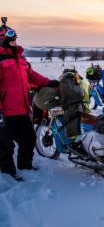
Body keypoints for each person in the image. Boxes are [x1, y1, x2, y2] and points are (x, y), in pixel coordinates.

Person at [0, 17, 59, 181]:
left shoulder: (21, 60)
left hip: (23, 108)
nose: (14, 43)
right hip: (6, 111)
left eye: (15, 40)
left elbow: (32, 76)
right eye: (10, 41)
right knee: (6, 144)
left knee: (28, 139)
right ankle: (7, 173)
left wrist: (49, 82)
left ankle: (25, 166)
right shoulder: (0, 60)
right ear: (2, 40)